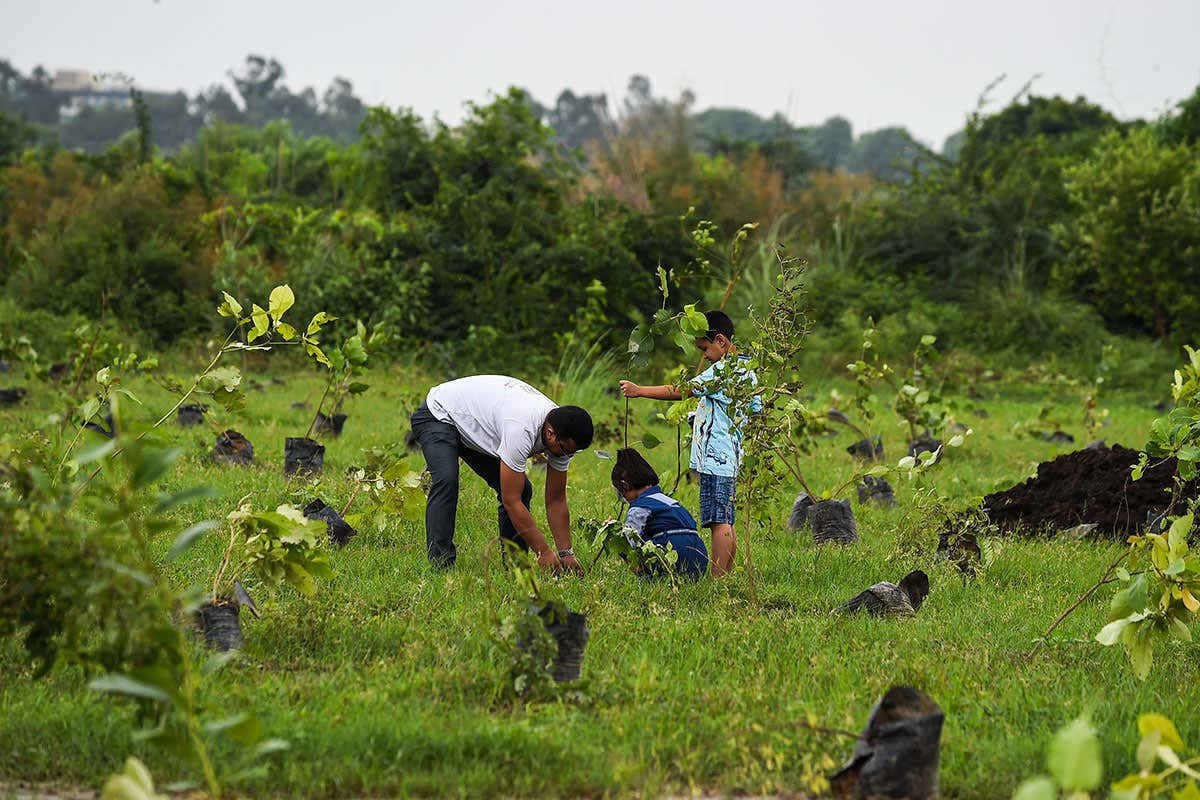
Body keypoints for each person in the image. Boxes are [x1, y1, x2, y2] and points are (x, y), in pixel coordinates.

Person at [619, 310, 761, 577]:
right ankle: (725, 576)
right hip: (731, 455)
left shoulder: (721, 372)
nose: (704, 355)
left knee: (719, 522)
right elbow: (754, 409)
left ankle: (718, 578)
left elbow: (681, 390)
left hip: (715, 458)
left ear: (721, 341)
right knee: (726, 518)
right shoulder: (747, 370)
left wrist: (639, 391)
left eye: (704, 348)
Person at [409, 375, 593, 573]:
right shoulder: (522, 428)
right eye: (565, 450)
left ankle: (516, 567)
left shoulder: (563, 438)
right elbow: (511, 501)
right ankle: (441, 565)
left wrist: (566, 553)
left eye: (573, 452)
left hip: (472, 424)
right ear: (550, 433)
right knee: (446, 480)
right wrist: (544, 552)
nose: (568, 456)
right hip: (438, 414)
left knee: (523, 490)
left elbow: (556, 500)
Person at [611, 448, 708, 581]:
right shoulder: (670, 501)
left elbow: (629, 541)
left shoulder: (639, 507)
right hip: (699, 556)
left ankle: (648, 579)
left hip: (671, 557)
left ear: (624, 485)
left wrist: (613, 535)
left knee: (631, 548)